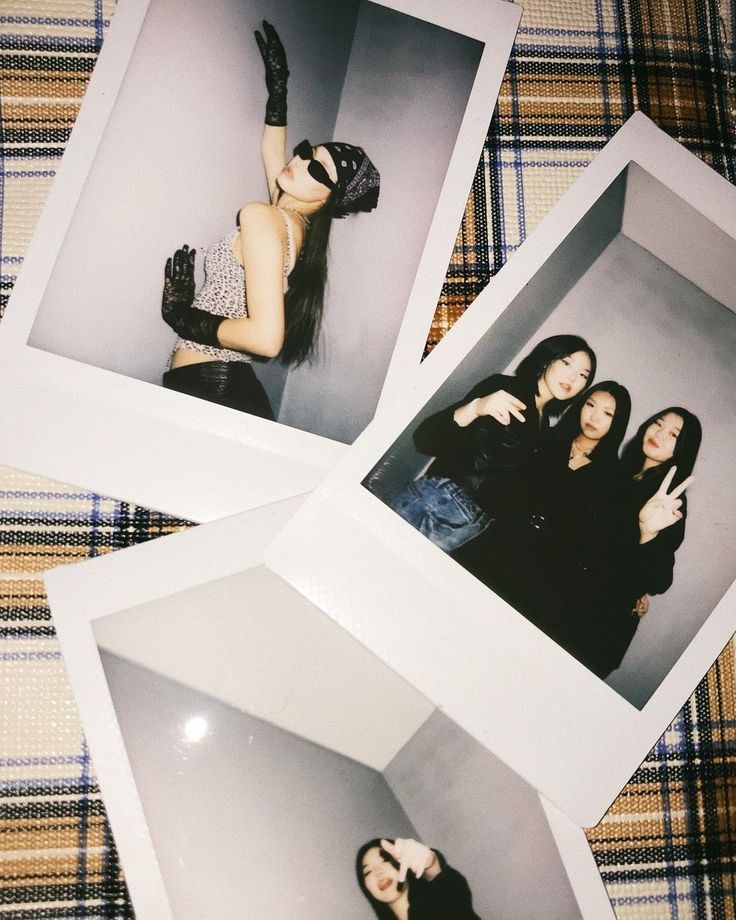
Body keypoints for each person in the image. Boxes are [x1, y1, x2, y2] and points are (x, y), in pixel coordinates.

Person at [160, 21, 380, 418]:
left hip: (212, 389)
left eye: (319, 171)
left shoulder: (265, 218)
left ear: (331, 199)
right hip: (219, 384)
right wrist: (278, 92)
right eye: (307, 151)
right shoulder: (294, 225)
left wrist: (183, 317)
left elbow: (266, 340)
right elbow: (274, 157)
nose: (301, 163)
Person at [386, 334, 596, 551]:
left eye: (582, 375)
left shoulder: (544, 427)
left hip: (471, 524)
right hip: (438, 502)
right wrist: (475, 408)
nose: (573, 378)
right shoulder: (504, 388)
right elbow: (425, 438)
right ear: (547, 360)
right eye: (566, 363)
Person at [596, 407, 701, 676]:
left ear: (682, 450)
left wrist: (648, 533)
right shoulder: (620, 472)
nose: (659, 433)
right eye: (658, 423)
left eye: (674, 434)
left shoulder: (669, 502)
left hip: (602, 620)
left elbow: (659, 579)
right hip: (573, 598)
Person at [356, 837, 481, 919]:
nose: (378, 872)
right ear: (366, 887)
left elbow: (450, 888)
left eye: (384, 861)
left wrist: (431, 863)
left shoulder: (440, 901)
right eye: (368, 872)